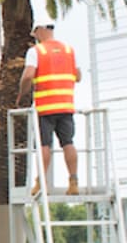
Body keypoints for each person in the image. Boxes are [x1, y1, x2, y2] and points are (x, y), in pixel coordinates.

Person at [17, 22, 82, 196]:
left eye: (35, 33)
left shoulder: (36, 52)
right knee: (68, 143)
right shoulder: (69, 50)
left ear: (40, 30)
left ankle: (41, 182)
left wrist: (22, 94)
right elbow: (79, 76)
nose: (35, 36)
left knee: (44, 145)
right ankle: (73, 181)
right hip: (66, 106)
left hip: (45, 107)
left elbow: (28, 75)